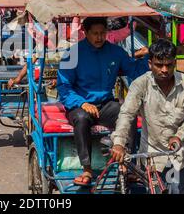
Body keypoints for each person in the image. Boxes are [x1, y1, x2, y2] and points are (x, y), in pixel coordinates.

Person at [57, 17, 148, 186]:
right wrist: (82, 103)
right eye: (95, 34)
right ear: (86, 33)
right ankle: (87, 169)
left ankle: (125, 164)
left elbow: (134, 70)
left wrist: (149, 59)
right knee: (82, 119)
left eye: (102, 33)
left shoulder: (116, 52)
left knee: (128, 114)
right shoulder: (72, 53)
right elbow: (64, 87)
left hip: (106, 104)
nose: (99, 37)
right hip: (79, 105)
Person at [111, 39, 184, 194]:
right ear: (150, 64)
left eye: (169, 65)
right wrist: (119, 143)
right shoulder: (140, 84)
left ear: (175, 63)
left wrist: (179, 136)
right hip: (153, 156)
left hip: (182, 156)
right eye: (159, 65)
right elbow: (126, 114)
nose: (164, 70)